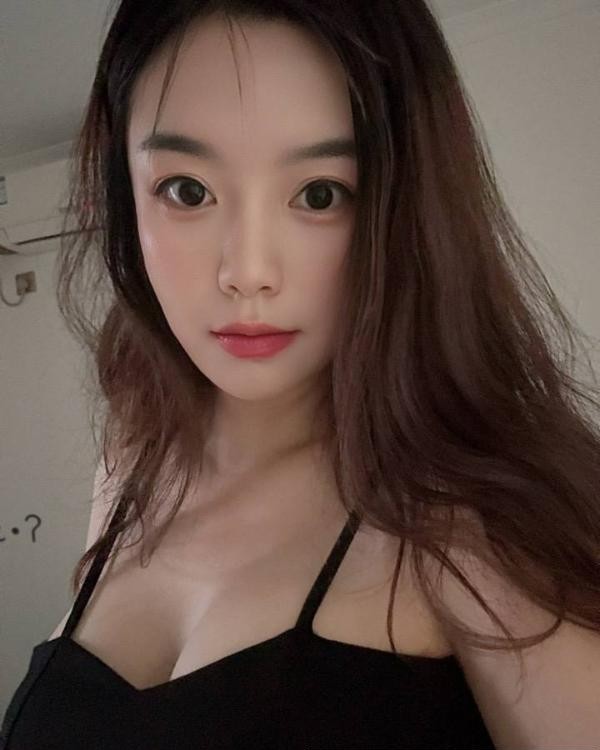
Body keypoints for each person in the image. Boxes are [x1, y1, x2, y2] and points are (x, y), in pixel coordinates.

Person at [2, 1, 600, 748]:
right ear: (127, 197)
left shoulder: (473, 523)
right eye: (187, 190)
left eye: (320, 194)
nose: (247, 271)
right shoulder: (128, 465)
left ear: (406, 211)